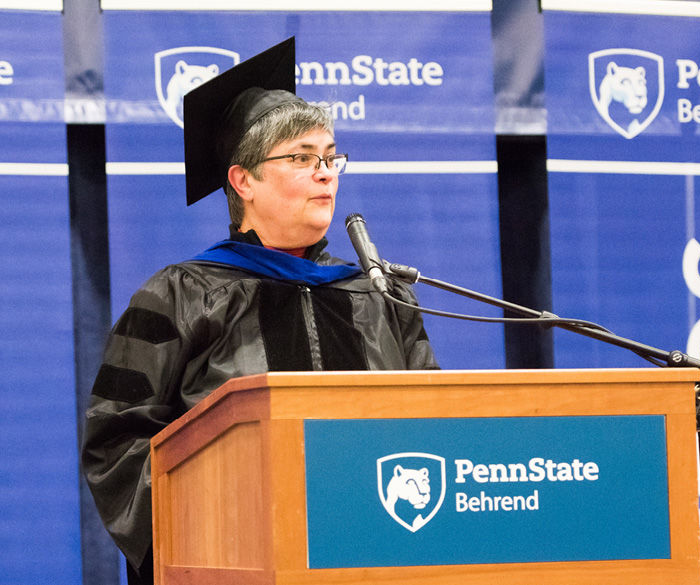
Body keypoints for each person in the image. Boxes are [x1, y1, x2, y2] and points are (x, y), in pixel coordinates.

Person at [80, 37, 438, 585]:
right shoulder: (179, 296)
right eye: (301, 157)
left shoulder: (377, 294)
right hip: (234, 559)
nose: (326, 172)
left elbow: (436, 424)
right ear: (243, 180)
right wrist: (220, 522)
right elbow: (117, 443)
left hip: (374, 552)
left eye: (330, 156)